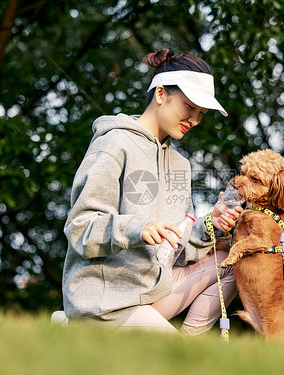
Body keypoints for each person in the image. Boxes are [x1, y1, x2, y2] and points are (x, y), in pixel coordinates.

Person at [60, 49, 243, 334]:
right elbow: (80, 228)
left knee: (232, 263)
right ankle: (77, 326)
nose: (194, 120)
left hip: (152, 292)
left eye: (201, 114)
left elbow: (178, 249)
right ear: (161, 94)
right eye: (189, 107)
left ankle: (188, 346)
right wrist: (137, 228)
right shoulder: (115, 143)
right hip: (105, 303)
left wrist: (212, 224)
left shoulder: (181, 164)